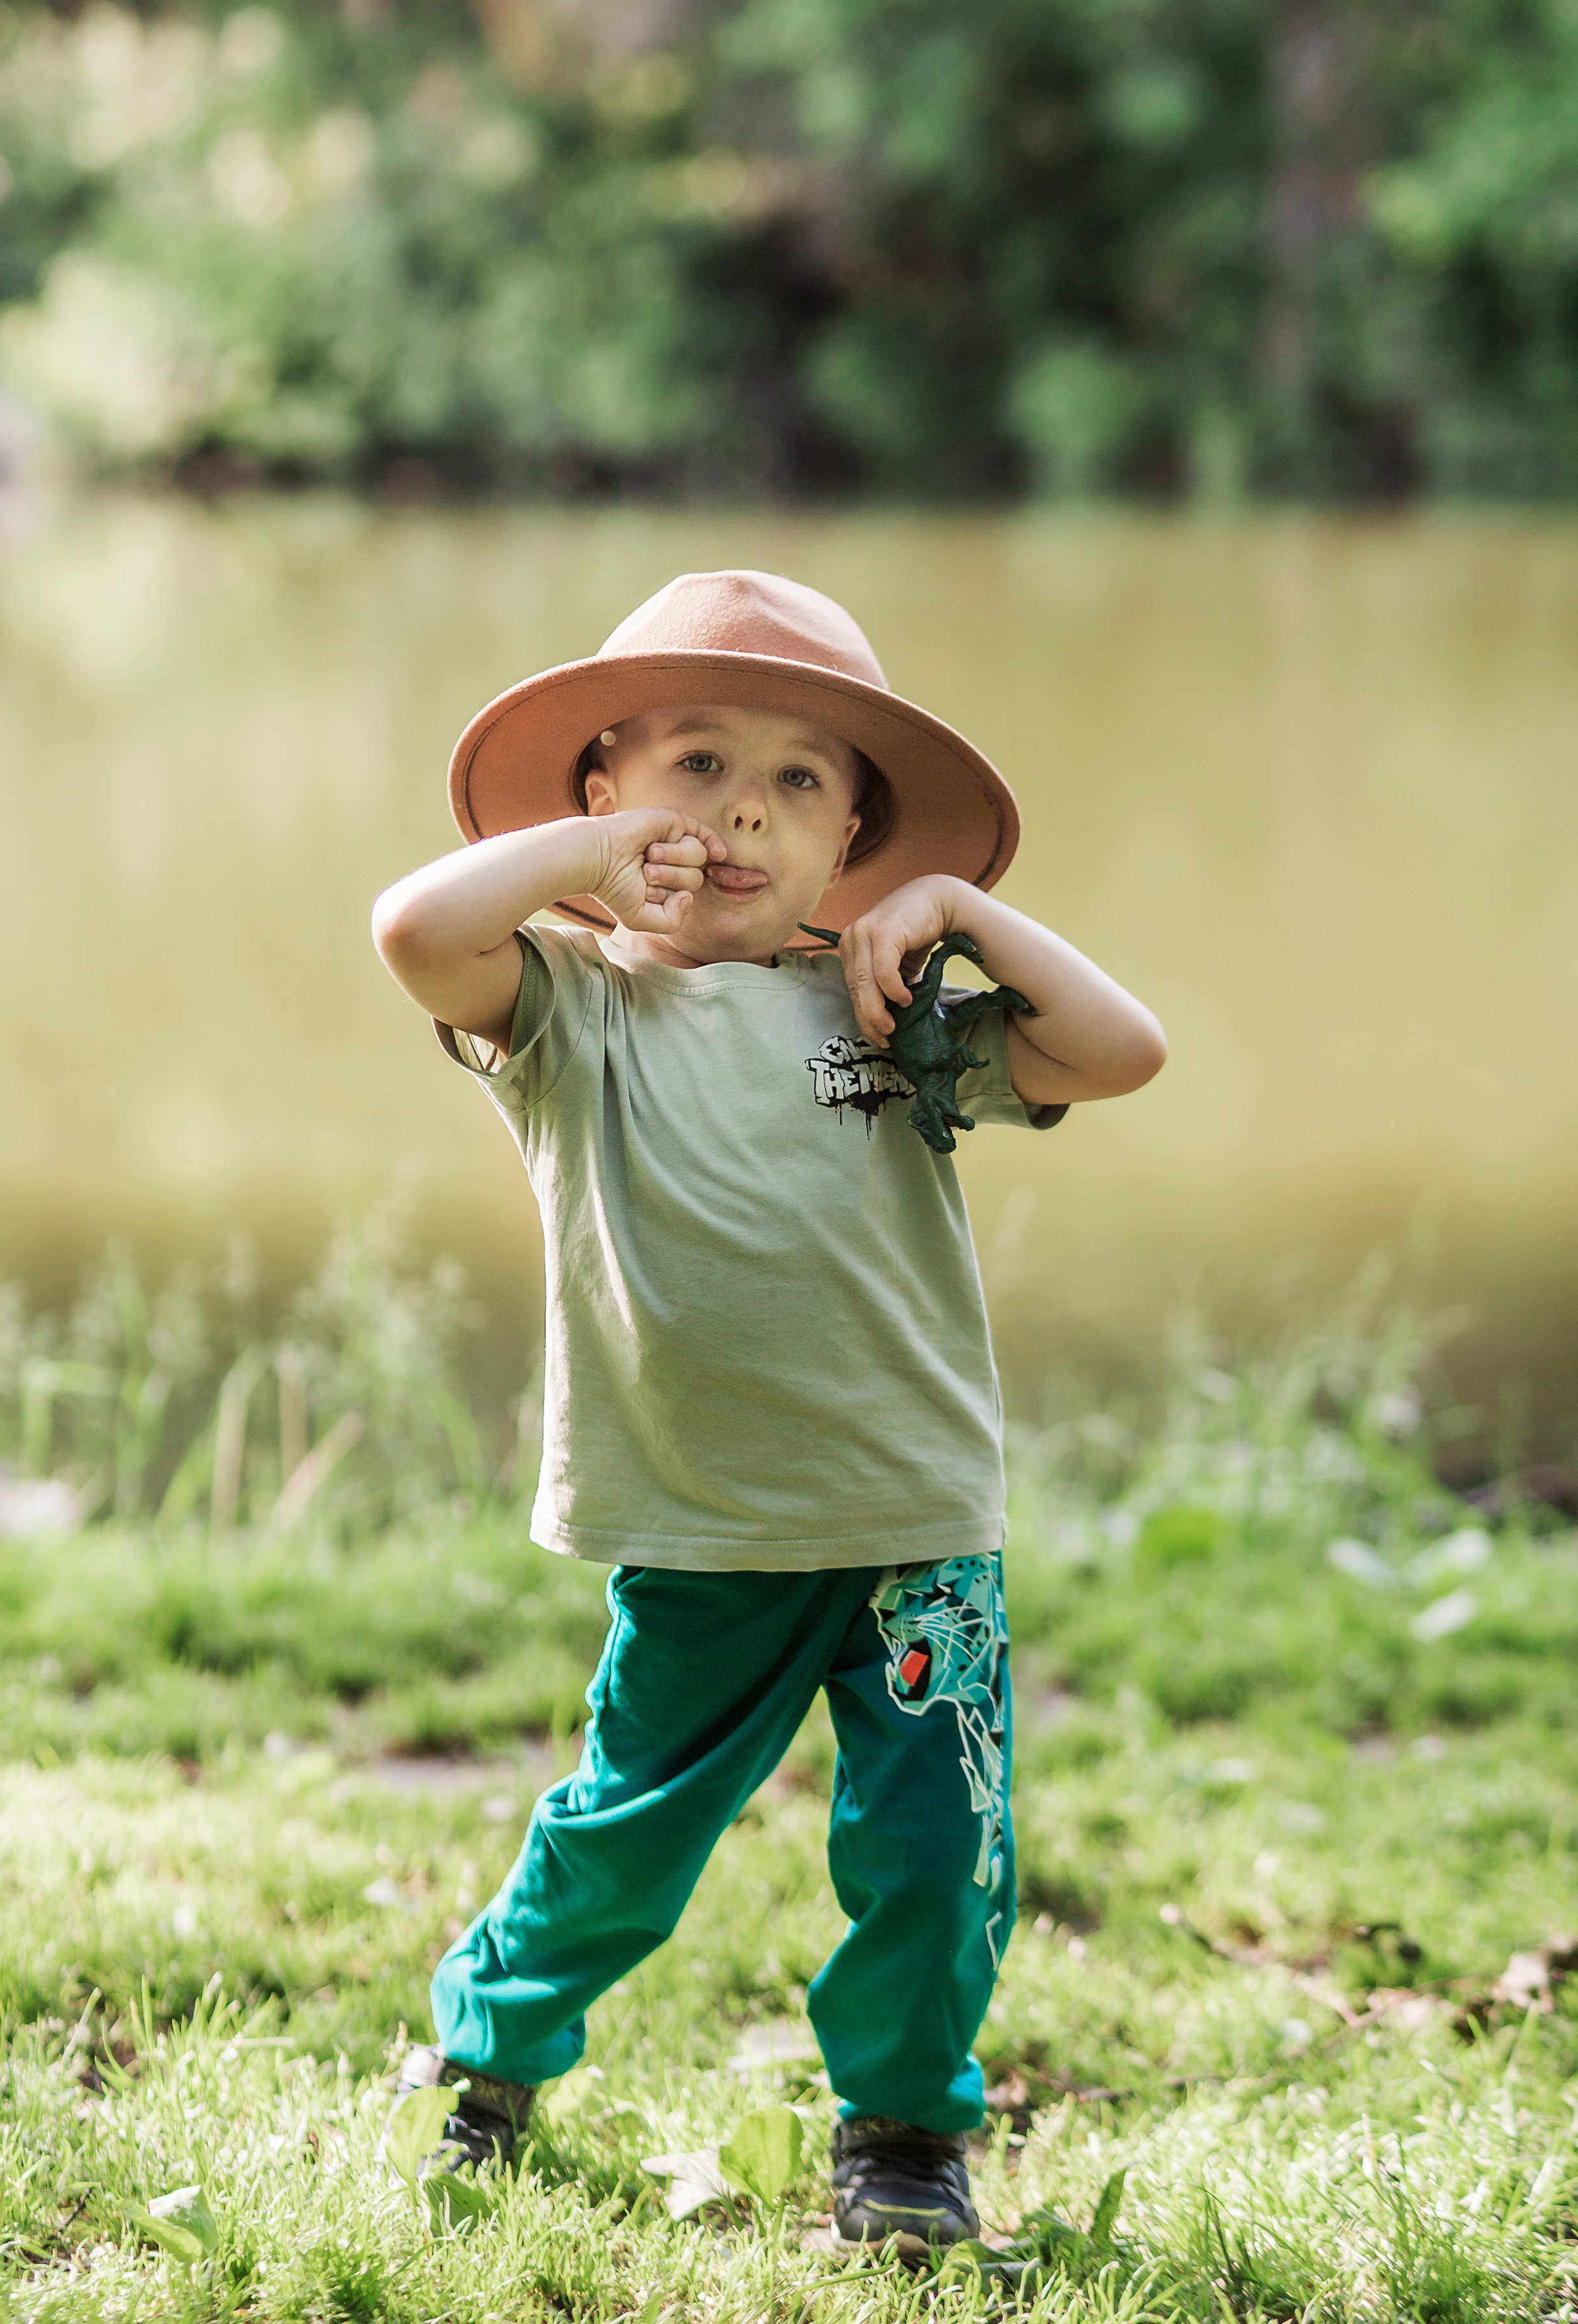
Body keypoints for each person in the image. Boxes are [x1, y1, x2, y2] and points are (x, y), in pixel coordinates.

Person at [371, 569, 1165, 2261]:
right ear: (603, 800)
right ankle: (486, 2056)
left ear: (850, 843)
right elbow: (415, 933)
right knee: (629, 1830)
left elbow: (1120, 1051)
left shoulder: (886, 1026)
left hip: (914, 1524)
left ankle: (903, 2134)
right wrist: (579, 883)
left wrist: (962, 909)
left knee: (936, 1851)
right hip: (703, 1518)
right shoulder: (573, 1014)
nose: (741, 811)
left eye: (800, 782)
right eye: (693, 767)